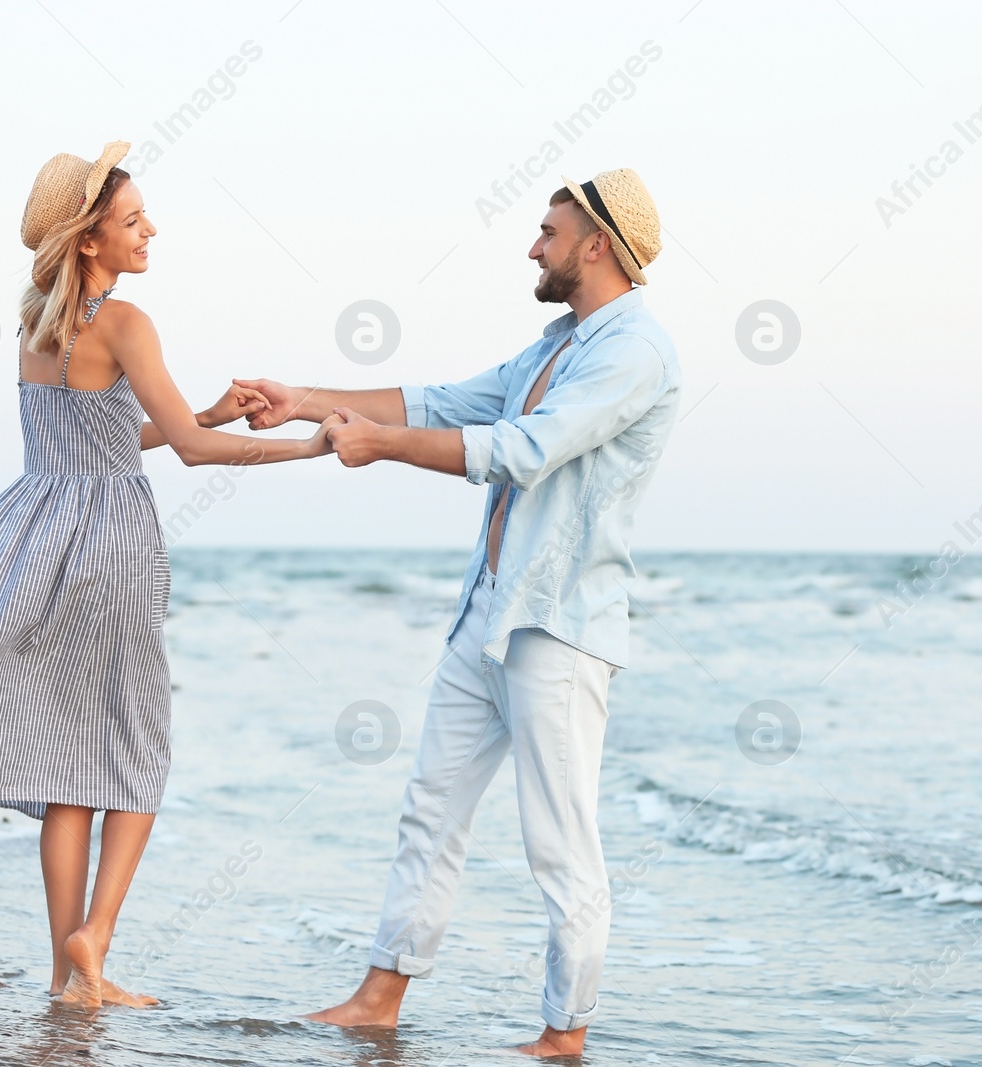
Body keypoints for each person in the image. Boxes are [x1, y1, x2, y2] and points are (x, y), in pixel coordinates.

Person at [239, 169, 678, 1057]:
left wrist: (383, 449)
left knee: (561, 845)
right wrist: (310, 400)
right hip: (486, 616)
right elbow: (438, 402)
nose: (534, 247)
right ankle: (379, 996)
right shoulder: (558, 341)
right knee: (431, 809)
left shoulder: (635, 351)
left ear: (597, 244)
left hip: (556, 630)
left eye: (548, 232)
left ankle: (564, 1035)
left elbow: (521, 451)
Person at [0, 141, 338, 1010]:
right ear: (88, 239)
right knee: (136, 749)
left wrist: (208, 410)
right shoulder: (125, 321)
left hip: (32, 533)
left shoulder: (39, 320)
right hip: (108, 544)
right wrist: (304, 443)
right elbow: (187, 454)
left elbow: (113, 436)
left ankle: (66, 976)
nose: (148, 228)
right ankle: (98, 936)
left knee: (69, 767)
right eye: (130, 219)